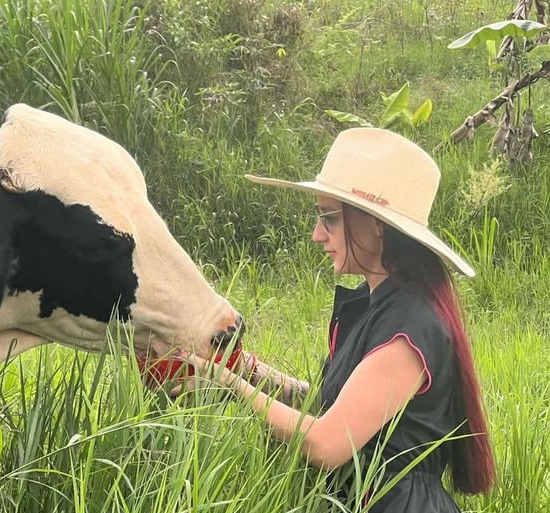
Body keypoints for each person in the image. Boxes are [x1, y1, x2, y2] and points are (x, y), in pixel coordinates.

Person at [180, 128, 497, 512]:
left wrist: (230, 385)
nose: (317, 235)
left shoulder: (409, 327)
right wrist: (248, 370)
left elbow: (326, 442)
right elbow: (330, 403)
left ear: (377, 224)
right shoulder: (377, 305)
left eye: (329, 218)